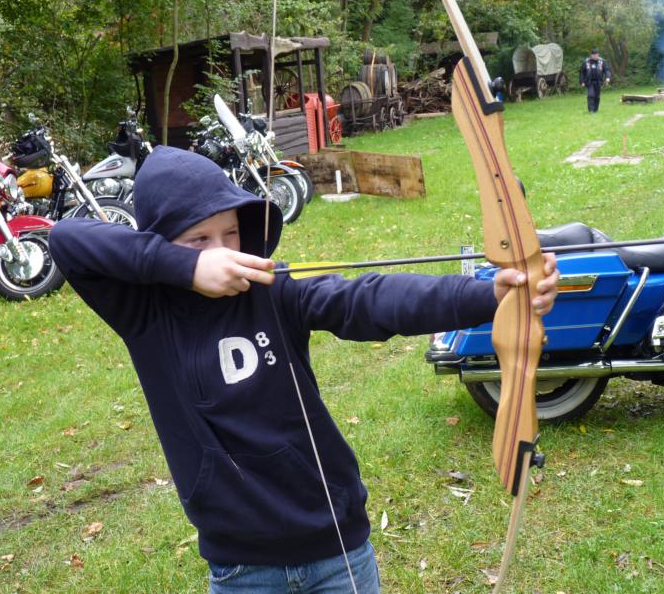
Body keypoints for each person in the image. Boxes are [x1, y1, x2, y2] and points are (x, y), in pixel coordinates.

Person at [49, 146, 559, 593]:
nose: (222, 253)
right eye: (198, 239)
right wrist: (188, 269)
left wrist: (488, 296)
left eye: (231, 232)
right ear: (159, 246)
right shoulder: (145, 316)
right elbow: (67, 239)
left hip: (335, 546)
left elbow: (365, 300)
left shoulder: (272, 291)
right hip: (240, 566)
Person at [579, 48, 611, 113]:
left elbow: (607, 70)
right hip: (589, 82)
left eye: (596, 55)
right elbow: (582, 72)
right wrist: (582, 81)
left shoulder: (602, 61)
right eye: (593, 55)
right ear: (591, 55)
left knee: (597, 96)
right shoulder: (586, 62)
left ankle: (595, 110)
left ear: (598, 54)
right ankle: (591, 110)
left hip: (598, 81)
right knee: (590, 95)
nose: (595, 56)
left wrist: (608, 77)